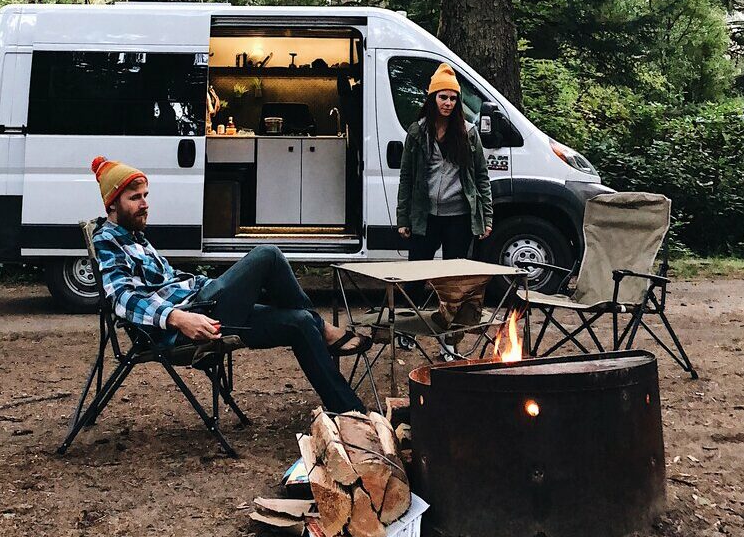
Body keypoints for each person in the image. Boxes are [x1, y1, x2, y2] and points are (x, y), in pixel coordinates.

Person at [89, 156, 371, 413]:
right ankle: (325, 329)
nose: (144, 204)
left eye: (145, 196)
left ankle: (351, 412)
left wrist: (225, 286)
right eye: (135, 198)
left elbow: (171, 280)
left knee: (301, 322)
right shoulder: (108, 240)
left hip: (204, 307)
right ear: (112, 203)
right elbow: (121, 297)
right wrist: (178, 318)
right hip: (190, 326)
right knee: (268, 255)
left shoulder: (135, 237)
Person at [395, 63, 494, 356]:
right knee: (416, 275)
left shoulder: (468, 133)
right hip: (425, 216)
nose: (448, 103)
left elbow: (481, 177)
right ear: (432, 98)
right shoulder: (418, 132)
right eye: (443, 97)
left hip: (458, 217)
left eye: (453, 98)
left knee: (455, 283)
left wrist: (486, 217)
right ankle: (406, 330)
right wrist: (403, 218)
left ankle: (450, 341)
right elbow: (406, 177)